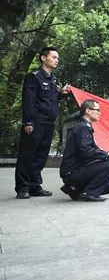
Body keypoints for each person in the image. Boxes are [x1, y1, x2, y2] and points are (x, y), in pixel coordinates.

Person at [15, 46, 71, 199]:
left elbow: (50, 100)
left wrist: (61, 93)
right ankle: (22, 187)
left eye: (57, 58)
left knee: (40, 156)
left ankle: (34, 186)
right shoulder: (33, 76)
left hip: (49, 122)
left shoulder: (53, 79)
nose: (56, 60)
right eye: (54, 57)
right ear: (43, 58)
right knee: (28, 155)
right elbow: (29, 101)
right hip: (35, 122)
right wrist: (28, 122)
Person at [60, 99, 109, 202]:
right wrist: (108, 155)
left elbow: (91, 150)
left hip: (76, 172)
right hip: (72, 173)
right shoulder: (83, 127)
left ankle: (75, 190)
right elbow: (86, 151)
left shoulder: (84, 126)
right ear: (88, 111)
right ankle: (89, 194)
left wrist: (105, 154)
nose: (99, 113)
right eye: (97, 110)